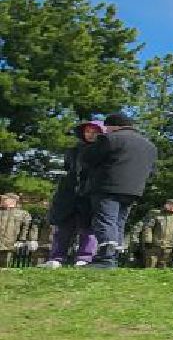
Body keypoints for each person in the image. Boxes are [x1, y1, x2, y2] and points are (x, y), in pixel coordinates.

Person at [81, 112, 158, 268]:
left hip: (107, 186)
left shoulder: (110, 139)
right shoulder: (149, 145)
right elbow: (152, 170)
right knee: (119, 222)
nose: (105, 130)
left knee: (105, 221)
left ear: (112, 126)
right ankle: (115, 257)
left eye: (107, 127)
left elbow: (88, 158)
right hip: (134, 189)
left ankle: (105, 259)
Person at [43, 120, 103, 267]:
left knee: (88, 228)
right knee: (63, 227)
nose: (90, 134)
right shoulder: (73, 150)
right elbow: (68, 169)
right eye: (88, 131)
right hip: (69, 194)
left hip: (90, 194)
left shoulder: (103, 151)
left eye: (94, 132)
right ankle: (57, 257)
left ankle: (85, 257)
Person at [137, 199, 173, 268]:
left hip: (169, 247)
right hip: (154, 245)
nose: (172, 207)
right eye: (170, 204)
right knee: (150, 264)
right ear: (165, 205)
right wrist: (147, 240)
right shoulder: (156, 214)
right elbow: (148, 227)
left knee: (164, 266)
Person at [0, 193, 32, 268]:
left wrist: (22, 240)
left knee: (5, 265)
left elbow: (26, 227)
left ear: (13, 201)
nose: (2, 200)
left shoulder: (23, 213)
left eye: (5, 199)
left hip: (9, 244)